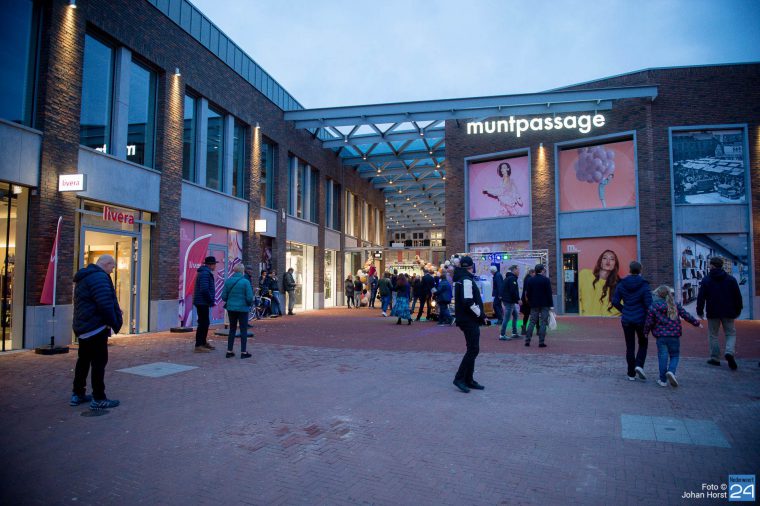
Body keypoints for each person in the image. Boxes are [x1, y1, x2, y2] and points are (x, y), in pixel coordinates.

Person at [70, 255, 123, 409]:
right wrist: (114, 321)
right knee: (99, 362)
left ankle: (77, 393)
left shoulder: (84, 277)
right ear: (106, 264)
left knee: (83, 360)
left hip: (84, 327)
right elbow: (105, 303)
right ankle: (98, 397)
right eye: (112, 267)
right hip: (96, 327)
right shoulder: (100, 278)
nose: (112, 271)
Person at [645, 285, 702, 387]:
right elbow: (685, 315)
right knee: (674, 355)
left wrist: (646, 332)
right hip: (674, 335)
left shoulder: (653, 306)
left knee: (662, 357)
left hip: (660, 336)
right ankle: (671, 371)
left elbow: (649, 322)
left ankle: (662, 380)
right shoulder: (674, 304)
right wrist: (696, 323)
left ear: (658, 294)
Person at [696, 257, 743, 370]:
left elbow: (701, 297)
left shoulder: (706, 280)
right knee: (730, 333)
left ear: (712, 266)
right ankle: (729, 352)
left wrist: (700, 311)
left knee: (713, 335)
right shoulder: (731, 279)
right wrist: (738, 309)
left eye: (709, 264)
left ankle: (715, 358)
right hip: (728, 311)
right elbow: (737, 296)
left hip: (713, 311)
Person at [453, 256, 489, 393]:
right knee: (473, 349)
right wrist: (481, 315)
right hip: (469, 319)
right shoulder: (466, 280)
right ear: (471, 266)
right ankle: (460, 378)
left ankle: (468, 379)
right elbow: (468, 301)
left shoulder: (461, 279)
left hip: (465, 318)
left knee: (472, 348)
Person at [611, 261, 652, 381]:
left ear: (629, 269)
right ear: (640, 270)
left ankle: (631, 373)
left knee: (630, 346)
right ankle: (639, 365)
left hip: (627, 319)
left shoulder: (622, 284)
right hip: (641, 319)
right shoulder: (644, 285)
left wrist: (624, 310)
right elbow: (649, 304)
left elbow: (615, 301)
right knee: (643, 343)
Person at [222, 263, 254, 359]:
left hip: (231, 309)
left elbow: (223, 297)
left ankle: (229, 351)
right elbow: (249, 297)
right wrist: (248, 304)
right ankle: (243, 352)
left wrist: (231, 301)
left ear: (234, 271)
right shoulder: (245, 282)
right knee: (243, 330)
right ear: (243, 271)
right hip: (243, 309)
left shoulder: (228, 281)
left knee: (232, 329)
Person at [578, 250, 621, 316]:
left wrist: (602, 319)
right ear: (600, 261)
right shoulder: (585, 274)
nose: (608, 261)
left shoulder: (618, 285)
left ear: (615, 265)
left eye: (612, 259)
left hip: (603, 322)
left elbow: (619, 308)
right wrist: (581, 316)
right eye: (605, 258)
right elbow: (574, 297)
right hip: (582, 320)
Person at [524, 264, 552, 348]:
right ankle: (541, 342)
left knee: (532, 322)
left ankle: (527, 341)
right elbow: (549, 293)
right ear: (542, 270)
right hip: (544, 304)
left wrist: (530, 302)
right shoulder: (546, 280)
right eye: (543, 270)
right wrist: (551, 305)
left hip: (534, 304)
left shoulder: (531, 280)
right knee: (543, 322)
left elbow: (528, 293)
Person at [193, 256, 217, 353]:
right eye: (214, 264)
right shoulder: (205, 273)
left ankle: (203, 342)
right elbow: (204, 289)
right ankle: (199, 345)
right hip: (202, 302)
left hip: (203, 301)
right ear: (211, 265)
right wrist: (210, 300)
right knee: (203, 323)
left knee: (205, 323)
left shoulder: (205, 272)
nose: (215, 266)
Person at [499, 265, 521, 340]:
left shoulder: (508, 278)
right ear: (514, 270)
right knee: (507, 318)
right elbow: (513, 291)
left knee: (515, 315)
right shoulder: (512, 278)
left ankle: (514, 333)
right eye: (518, 270)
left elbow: (503, 289)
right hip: (509, 301)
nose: (519, 271)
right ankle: (502, 335)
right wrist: (518, 299)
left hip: (508, 300)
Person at [520, 269, 535, 335]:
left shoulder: (526, 278)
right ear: (532, 273)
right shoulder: (529, 279)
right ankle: (537, 329)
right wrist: (527, 300)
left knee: (526, 315)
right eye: (534, 273)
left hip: (525, 300)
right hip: (528, 300)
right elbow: (527, 290)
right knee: (534, 314)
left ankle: (524, 328)